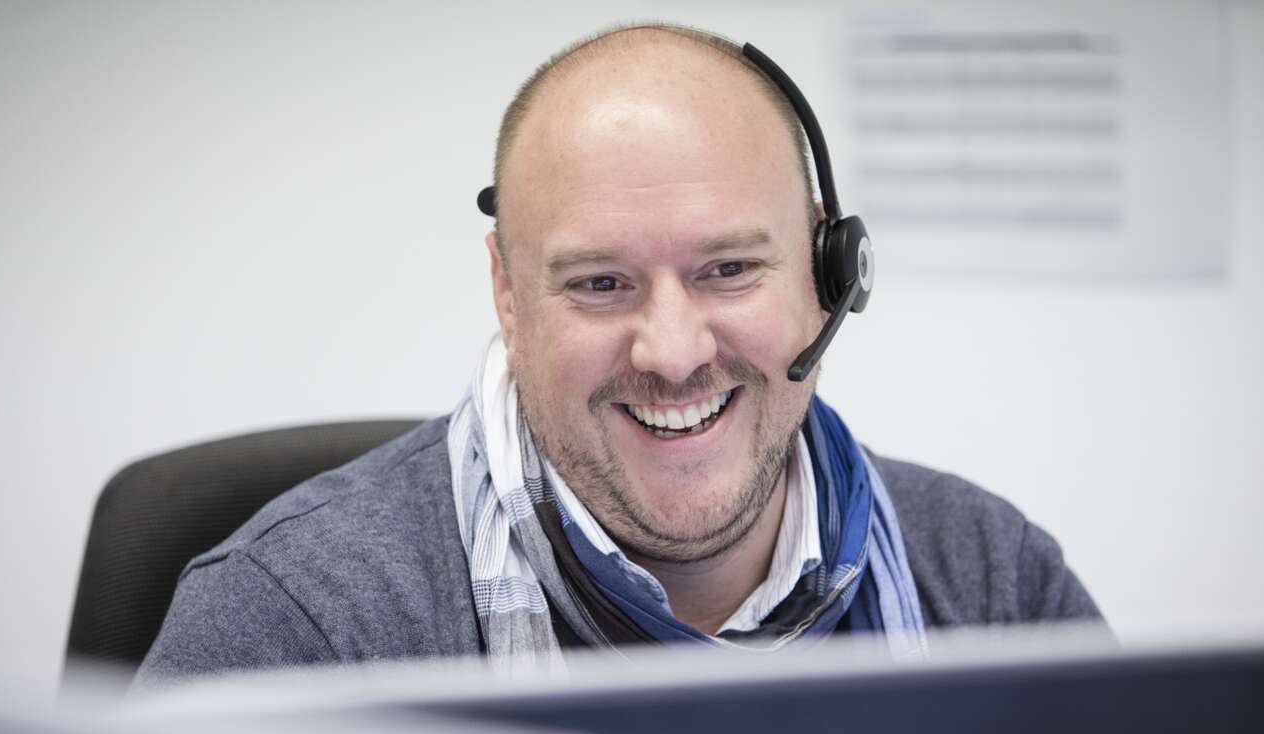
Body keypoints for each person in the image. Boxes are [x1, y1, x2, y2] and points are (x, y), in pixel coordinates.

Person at [135, 24, 1100, 687]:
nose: (673, 355)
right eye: (601, 283)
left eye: (729, 269)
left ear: (826, 270)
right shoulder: (294, 631)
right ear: (508, 295)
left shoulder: (994, 588)